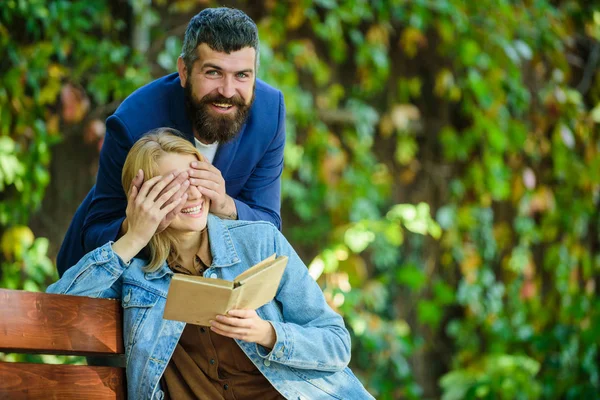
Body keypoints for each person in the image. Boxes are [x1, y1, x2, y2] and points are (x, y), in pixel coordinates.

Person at [47, 129, 374, 400]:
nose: (192, 196)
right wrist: (134, 237)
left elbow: (336, 343)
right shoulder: (131, 271)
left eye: (196, 180)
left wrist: (267, 333)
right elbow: (55, 316)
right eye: (173, 187)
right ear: (143, 198)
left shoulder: (259, 241)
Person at [57, 7, 286, 276]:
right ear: (184, 71)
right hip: (113, 280)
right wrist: (138, 224)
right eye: (213, 72)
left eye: (242, 75)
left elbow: (270, 226)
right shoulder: (132, 123)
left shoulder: (270, 113)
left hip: (203, 276)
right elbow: (95, 231)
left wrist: (225, 205)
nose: (227, 90)